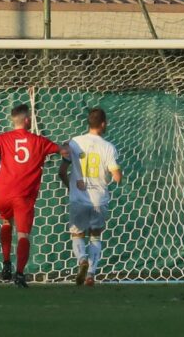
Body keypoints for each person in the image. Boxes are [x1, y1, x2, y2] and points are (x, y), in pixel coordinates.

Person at [0, 104, 68, 287]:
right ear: (27, 120)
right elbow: (63, 151)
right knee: (23, 234)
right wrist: (67, 147)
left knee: (6, 222)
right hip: (23, 195)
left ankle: (6, 262)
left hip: (3, 193)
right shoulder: (39, 141)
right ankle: (19, 274)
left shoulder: (2, 138)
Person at [59, 108, 122, 286]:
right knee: (95, 235)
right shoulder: (109, 147)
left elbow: (62, 172)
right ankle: (91, 275)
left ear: (89, 123)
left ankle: (82, 260)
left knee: (77, 233)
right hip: (99, 199)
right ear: (103, 124)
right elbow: (117, 177)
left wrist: (71, 187)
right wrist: (115, 174)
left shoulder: (74, 143)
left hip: (78, 198)